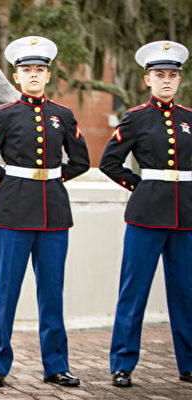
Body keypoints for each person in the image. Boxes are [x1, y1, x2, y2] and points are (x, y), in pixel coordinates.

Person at [0, 36, 89, 388]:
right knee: (5, 292)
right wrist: (10, 182)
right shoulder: (4, 115)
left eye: (39, 69)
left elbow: (80, 161)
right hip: (13, 214)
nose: (33, 75)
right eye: (26, 70)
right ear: (16, 76)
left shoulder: (63, 116)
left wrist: (50, 179)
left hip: (54, 214)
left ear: (48, 75)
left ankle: (56, 365)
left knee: (52, 293)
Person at [99, 40, 192, 388]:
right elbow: (109, 162)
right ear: (147, 79)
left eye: (172, 75)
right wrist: (139, 187)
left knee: (186, 292)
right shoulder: (136, 118)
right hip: (145, 216)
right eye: (159, 75)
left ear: (179, 80)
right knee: (134, 290)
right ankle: (122, 364)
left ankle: (188, 364)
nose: (166, 81)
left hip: (186, 216)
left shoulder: (189, 119)